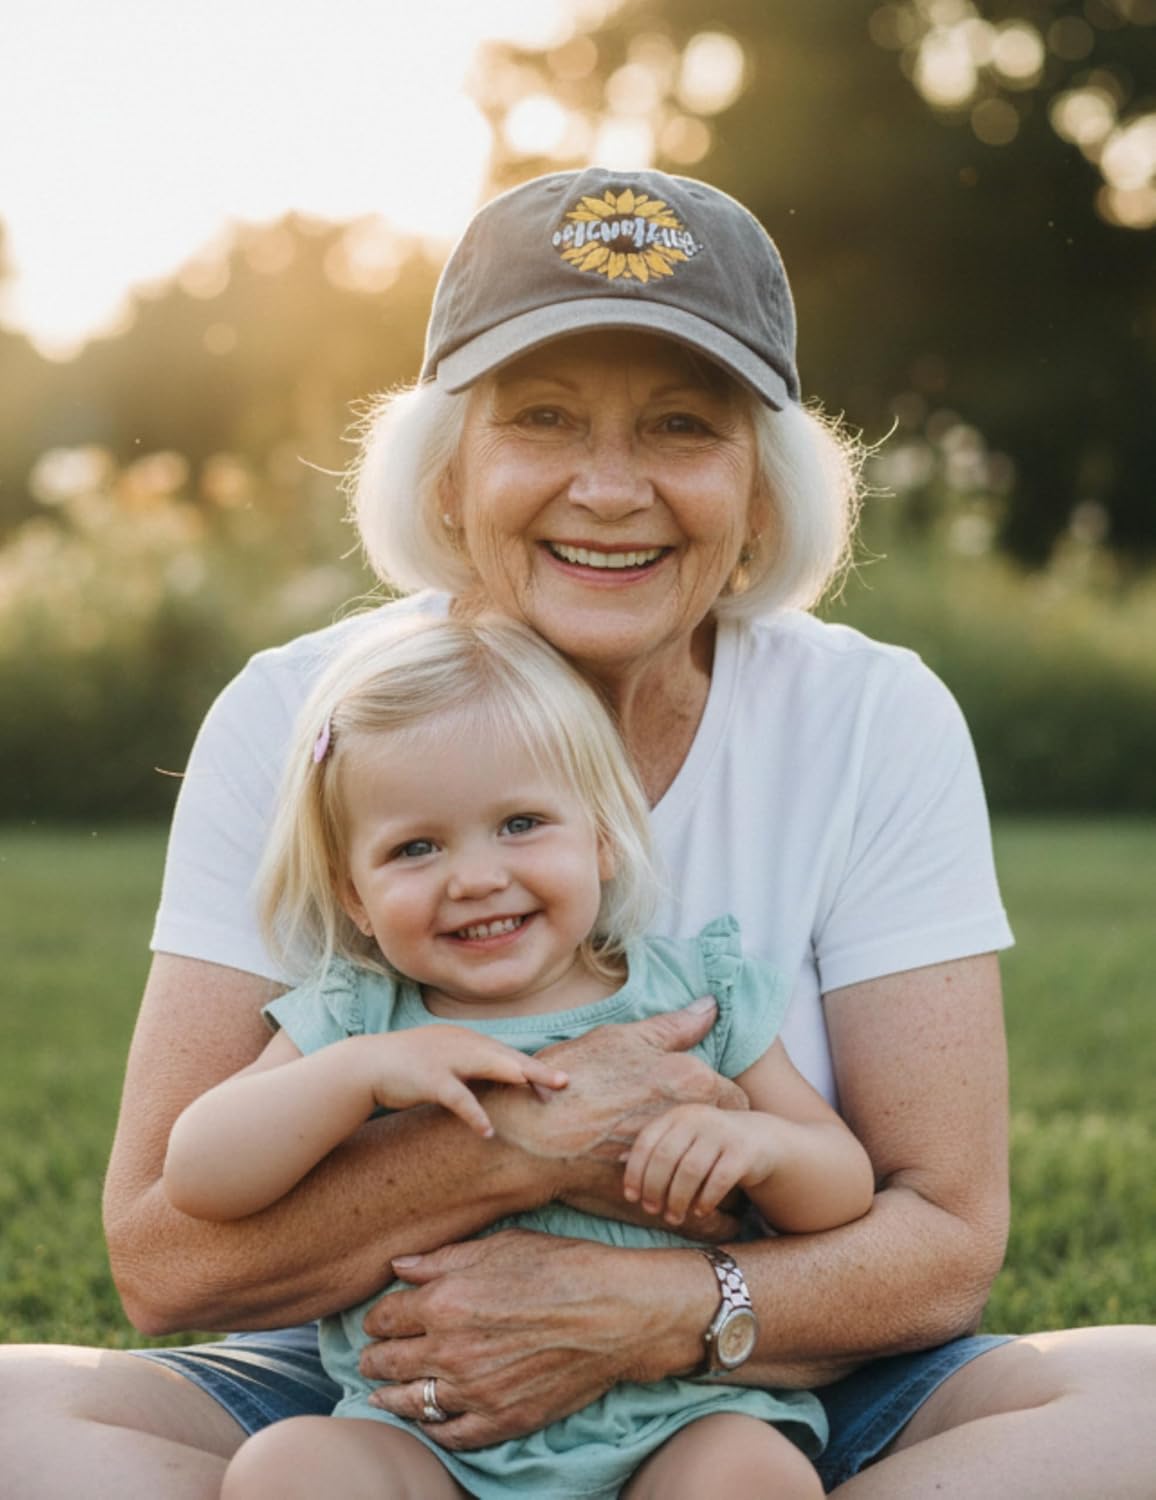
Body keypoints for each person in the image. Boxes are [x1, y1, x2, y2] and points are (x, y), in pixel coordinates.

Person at [2, 166, 1152, 1500]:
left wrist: (647, 1308)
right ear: (450, 476)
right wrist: (532, 1144)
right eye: (542, 419)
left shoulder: (869, 715)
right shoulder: (297, 712)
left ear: (759, 492)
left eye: (680, 427)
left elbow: (942, 1243)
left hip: (756, 1371)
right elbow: (168, 1260)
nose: (610, 489)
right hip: (374, 1380)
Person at [162, 612, 875, 1500]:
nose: (474, 877)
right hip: (425, 1434)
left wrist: (764, 1151)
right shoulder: (360, 1018)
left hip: (676, 1418)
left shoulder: (697, 996)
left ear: (604, 835)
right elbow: (198, 1172)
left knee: (751, 1478)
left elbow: (844, 1184)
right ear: (353, 892)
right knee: (290, 1468)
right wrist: (355, 1076)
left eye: (522, 824)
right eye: (415, 847)